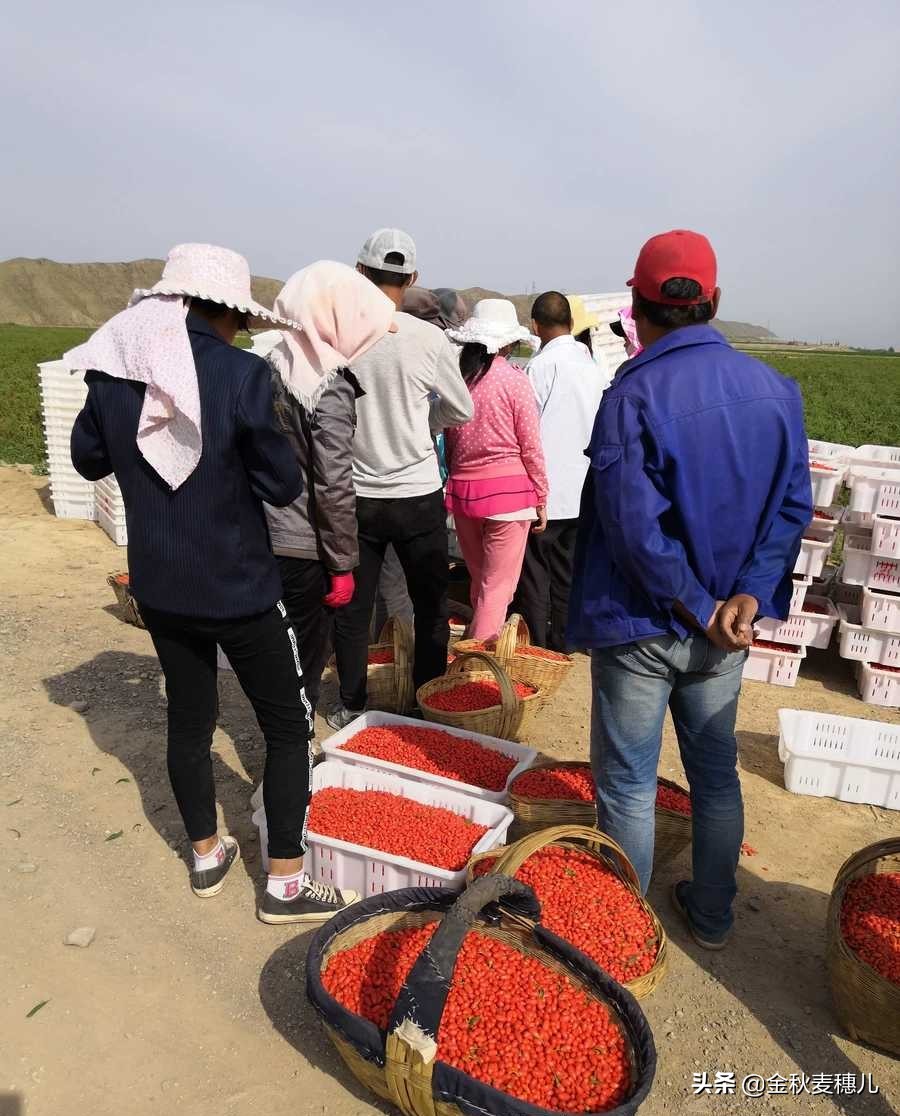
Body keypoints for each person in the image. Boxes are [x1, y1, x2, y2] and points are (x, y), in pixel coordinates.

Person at [67, 243, 359, 925]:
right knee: (288, 726)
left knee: (189, 720)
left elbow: (86, 459)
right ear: (226, 312)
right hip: (241, 589)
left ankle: (206, 855)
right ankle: (285, 884)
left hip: (161, 590)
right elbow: (283, 481)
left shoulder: (116, 374)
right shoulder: (240, 375)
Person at [567, 230, 812, 949]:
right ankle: (711, 914)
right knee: (714, 773)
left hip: (644, 624)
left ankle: (621, 936)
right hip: (725, 631)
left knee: (629, 787)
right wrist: (747, 595)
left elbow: (634, 530)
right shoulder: (777, 393)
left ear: (635, 307)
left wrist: (701, 604)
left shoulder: (633, 394)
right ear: (715, 303)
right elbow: (792, 508)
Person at [328, 229, 474, 728]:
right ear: (412, 279)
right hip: (416, 494)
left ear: (360, 272)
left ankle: (350, 701)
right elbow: (460, 407)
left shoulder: (340, 336)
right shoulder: (429, 338)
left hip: (358, 494)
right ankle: (425, 705)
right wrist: (421, 424)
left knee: (354, 605)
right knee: (430, 605)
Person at [263, 261, 397, 724]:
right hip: (305, 547)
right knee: (305, 663)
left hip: (264, 537)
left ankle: (281, 750)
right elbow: (334, 482)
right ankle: (288, 769)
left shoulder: (269, 366)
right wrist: (342, 562)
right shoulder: (327, 385)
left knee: (275, 657)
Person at [444, 300, 549, 639]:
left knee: (481, 583)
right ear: (507, 342)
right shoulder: (514, 380)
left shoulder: (461, 380)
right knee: (497, 588)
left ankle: (474, 655)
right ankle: (478, 667)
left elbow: (450, 441)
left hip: (464, 494)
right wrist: (541, 495)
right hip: (509, 497)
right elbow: (530, 445)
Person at [512, 291, 610, 650]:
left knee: (535, 572)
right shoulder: (593, 367)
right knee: (567, 571)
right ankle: (565, 640)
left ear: (535, 327)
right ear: (570, 324)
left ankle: (538, 644)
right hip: (584, 487)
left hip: (547, 488)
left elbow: (526, 428)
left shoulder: (539, 367)